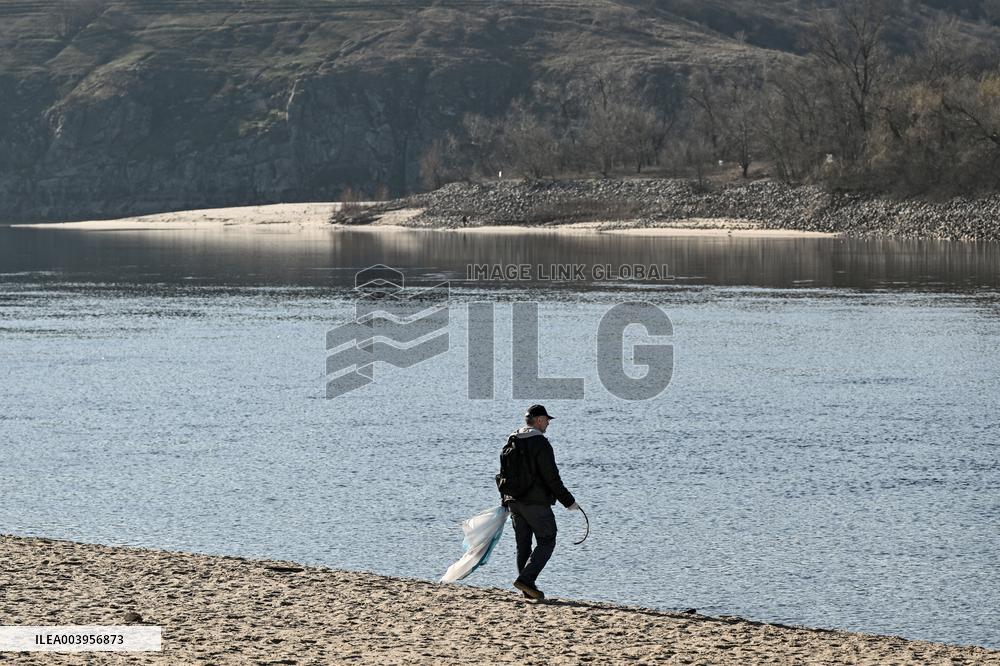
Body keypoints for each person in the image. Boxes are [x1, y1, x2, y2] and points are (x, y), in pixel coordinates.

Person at [499, 404, 580, 601]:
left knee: (523, 544)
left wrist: (505, 500)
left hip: (514, 501)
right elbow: (551, 477)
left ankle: (527, 589)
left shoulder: (512, 440)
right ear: (539, 420)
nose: (548, 424)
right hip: (535, 502)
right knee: (547, 539)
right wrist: (569, 502)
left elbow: (502, 474)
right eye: (547, 420)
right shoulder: (540, 443)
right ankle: (526, 580)